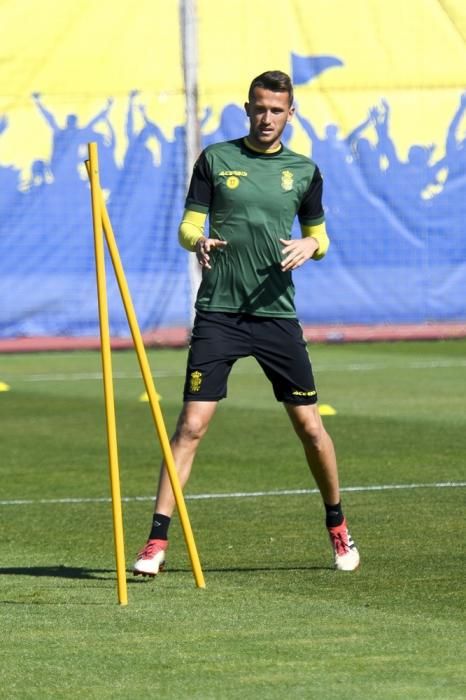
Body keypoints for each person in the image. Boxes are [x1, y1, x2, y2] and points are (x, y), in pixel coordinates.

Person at [133, 70, 360, 576]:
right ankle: (155, 542)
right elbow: (189, 224)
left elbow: (320, 238)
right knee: (190, 426)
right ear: (248, 108)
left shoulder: (304, 171)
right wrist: (199, 242)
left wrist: (311, 244)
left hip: (276, 315)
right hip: (219, 314)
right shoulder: (216, 159)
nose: (267, 118)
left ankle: (338, 525)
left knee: (309, 426)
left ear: (290, 114)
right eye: (259, 108)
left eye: (277, 110)